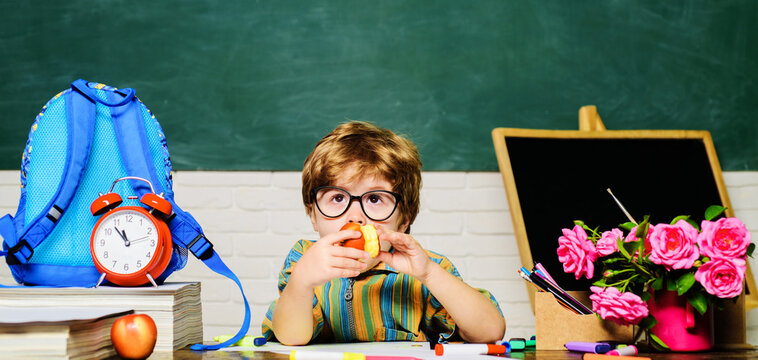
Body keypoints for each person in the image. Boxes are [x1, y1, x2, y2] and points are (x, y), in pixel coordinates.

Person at [261, 121, 505, 345]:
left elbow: (490, 331)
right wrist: (301, 282)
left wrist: (430, 273)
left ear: (403, 222)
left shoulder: (426, 269)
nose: (355, 215)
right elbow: (291, 338)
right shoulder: (303, 261)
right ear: (313, 215)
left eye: (375, 198)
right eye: (337, 197)